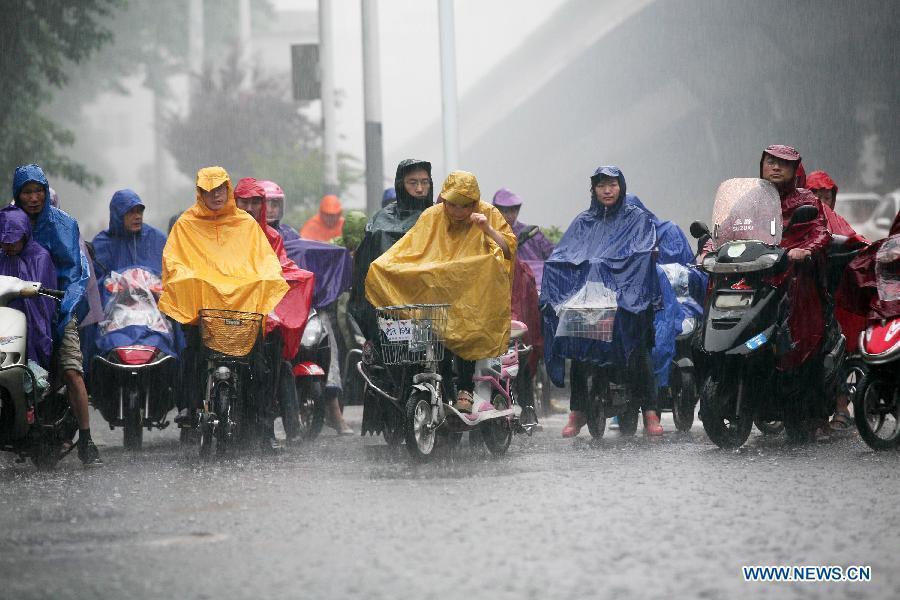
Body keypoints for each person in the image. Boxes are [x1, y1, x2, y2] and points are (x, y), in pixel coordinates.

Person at [366, 170, 515, 412]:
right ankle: (448, 392)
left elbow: (508, 251)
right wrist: (383, 268)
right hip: (439, 297)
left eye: (465, 206)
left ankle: (465, 390)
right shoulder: (432, 216)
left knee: (466, 335)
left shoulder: (488, 214)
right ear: (443, 199)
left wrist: (487, 228)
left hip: (473, 297)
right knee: (439, 344)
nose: (458, 212)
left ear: (474, 202)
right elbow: (409, 249)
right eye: (452, 205)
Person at [159, 167, 289, 435]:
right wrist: (189, 281)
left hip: (241, 312)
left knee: (259, 362)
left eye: (220, 189)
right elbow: (175, 261)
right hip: (203, 310)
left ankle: (259, 422)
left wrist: (264, 280)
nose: (215, 195)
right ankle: (189, 406)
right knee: (192, 353)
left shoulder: (245, 224)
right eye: (209, 190)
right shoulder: (186, 224)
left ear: (227, 189)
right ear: (200, 192)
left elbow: (264, 261)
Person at [541, 166, 663, 437]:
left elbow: (642, 253)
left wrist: (611, 272)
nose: (607, 190)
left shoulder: (637, 219)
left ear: (621, 186)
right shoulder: (584, 221)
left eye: (612, 184)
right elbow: (563, 254)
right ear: (593, 190)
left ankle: (650, 411)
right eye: (601, 185)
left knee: (639, 348)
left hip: (627, 299)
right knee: (579, 347)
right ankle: (578, 410)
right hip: (591, 301)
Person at [11, 164, 102, 466]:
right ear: (18, 194)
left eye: (39, 191)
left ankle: (87, 440)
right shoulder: (8, 222)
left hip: (58, 310)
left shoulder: (64, 225)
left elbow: (75, 274)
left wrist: (61, 312)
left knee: (72, 370)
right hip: (16, 312)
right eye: (27, 192)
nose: (34, 198)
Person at [758, 145, 832, 439]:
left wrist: (805, 250)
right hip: (759, 277)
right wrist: (711, 248)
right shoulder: (751, 200)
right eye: (770, 162)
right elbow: (728, 229)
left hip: (796, 280)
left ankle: (806, 408)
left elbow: (821, 231)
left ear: (794, 170)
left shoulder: (806, 199)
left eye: (783, 164)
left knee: (801, 341)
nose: (775, 168)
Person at [350, 159, 434, 343]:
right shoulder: (381, 222)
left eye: (424, 182)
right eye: (413, 182)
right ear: (401, 185)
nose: (420, 189)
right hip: (391, 311)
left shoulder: (441, 217)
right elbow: (365, 271)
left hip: (434, 310)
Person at [0, 205, 57, 369]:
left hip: (29, 319)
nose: (8, 245)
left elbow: (43, 303)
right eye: (4, 241)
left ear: (25, 235)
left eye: (13, 240)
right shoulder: (2, 257)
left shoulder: (40, 257)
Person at [493, 188, 555, 290]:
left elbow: (553, 254)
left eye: (513, 210)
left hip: (539, 284)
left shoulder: (532, 232)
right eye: (505, 211)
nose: (510, 215)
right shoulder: (490, 232)